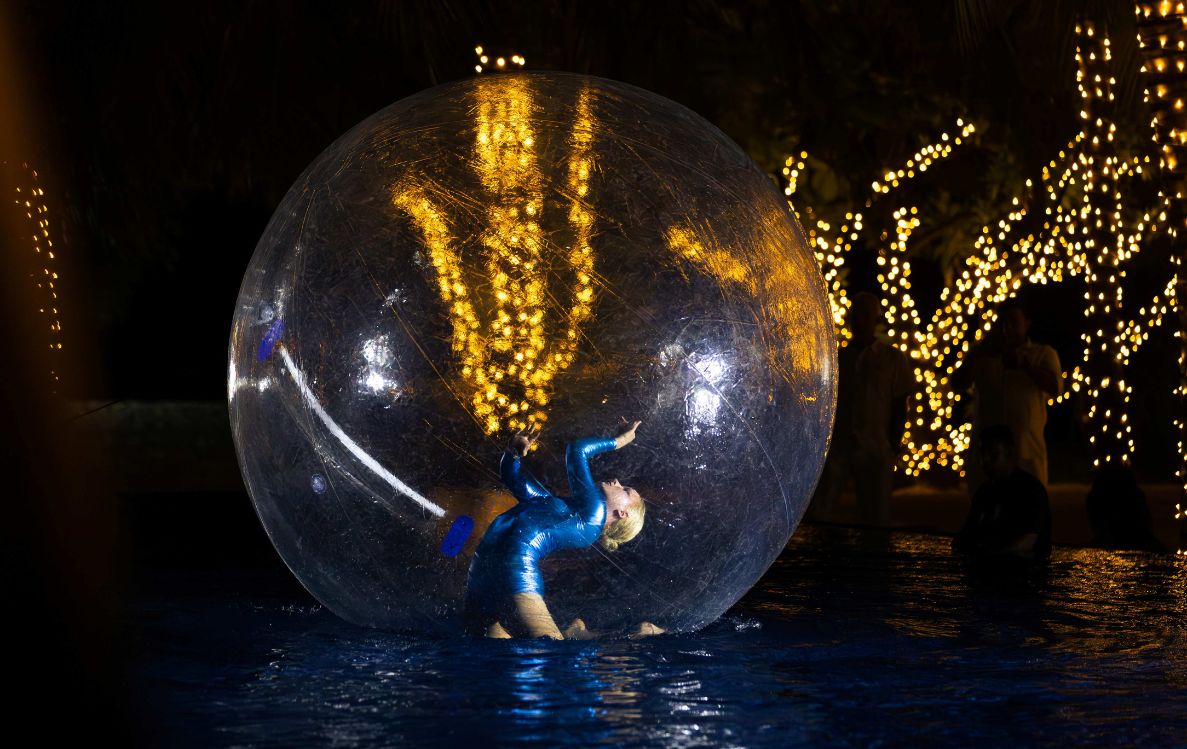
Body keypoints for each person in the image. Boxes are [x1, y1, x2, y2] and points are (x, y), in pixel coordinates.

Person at [465, 420, 650, 639]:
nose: (618, 481)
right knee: (489, 647)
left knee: (550, 649)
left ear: (622, 514)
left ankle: (636, 635)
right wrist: (512, 454)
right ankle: (577, 634)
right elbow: (513, 480)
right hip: (486, 565)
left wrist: (620, 440)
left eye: (625, 490)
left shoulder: (594, 516)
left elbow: (577, 450)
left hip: (512, 569)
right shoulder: (554, 505)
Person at [811, 292, 913, 525]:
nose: (860, 321)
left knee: (875, 516)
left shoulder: (892, 359)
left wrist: (892, 445)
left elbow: (900, 405)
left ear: (876, 320)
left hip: (875, 446)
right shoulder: (838, 359)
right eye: (857, 315)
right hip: (839, 446)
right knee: (822, 511)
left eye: (866, 315)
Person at [952, 297, 1062, 489]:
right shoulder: (982, 355)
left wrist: (1026, 366)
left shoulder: (1043, 354)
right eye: (1002, 322)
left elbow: (1055, 388)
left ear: (1027, 323)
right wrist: (979, 353)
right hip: (987, 456)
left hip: (1026, 454)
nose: (1007, 328)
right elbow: (957, 384)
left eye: (1013, 322)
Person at [953, 424, 1052, 559]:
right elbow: (967, 533)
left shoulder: (1030, 490)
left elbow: (1029, 541)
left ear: (1009, 453)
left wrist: (990, 555)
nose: (985, 460)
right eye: (982, 453)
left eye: (993, 454)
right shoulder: (984, 492)